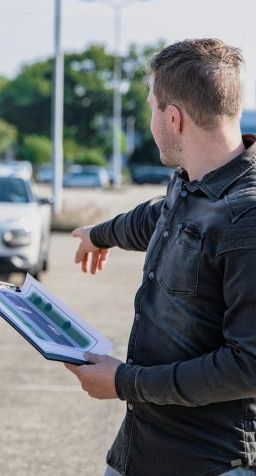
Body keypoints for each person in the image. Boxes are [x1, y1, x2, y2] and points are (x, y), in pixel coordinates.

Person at [67, 38, 256, 476]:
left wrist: (123, 382)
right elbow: (158, 215)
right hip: (141, 450)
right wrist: (101, 234)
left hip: (210, 463)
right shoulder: (192, 183)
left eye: (152, 107)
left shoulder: (246, 220)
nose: (151, 120)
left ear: (173, 118)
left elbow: (248, 365)